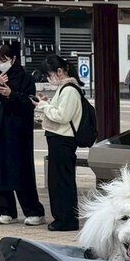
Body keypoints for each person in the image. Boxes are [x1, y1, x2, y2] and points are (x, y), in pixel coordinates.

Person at [0, 42, 45, 225]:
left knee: (21, 172)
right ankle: (6, 211)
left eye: (4, 60)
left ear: (13, 59)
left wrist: (10, 93)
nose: (0, 64)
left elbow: (29, 103)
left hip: (18, 132)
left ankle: (33, 211)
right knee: (0, 171)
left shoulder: (25, 79)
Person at [35, 55, 83, 231]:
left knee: (62, 182)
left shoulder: (69, 89)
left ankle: (66, 220)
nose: (49, 79)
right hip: (59, 139)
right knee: (59, 181)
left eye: (49, 74)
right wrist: (45, 103)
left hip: (63, 140)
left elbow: (62, 116)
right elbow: (59, 111)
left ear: (60, 71)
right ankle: (62, 218)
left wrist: (43, 106)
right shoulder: (65, 89)